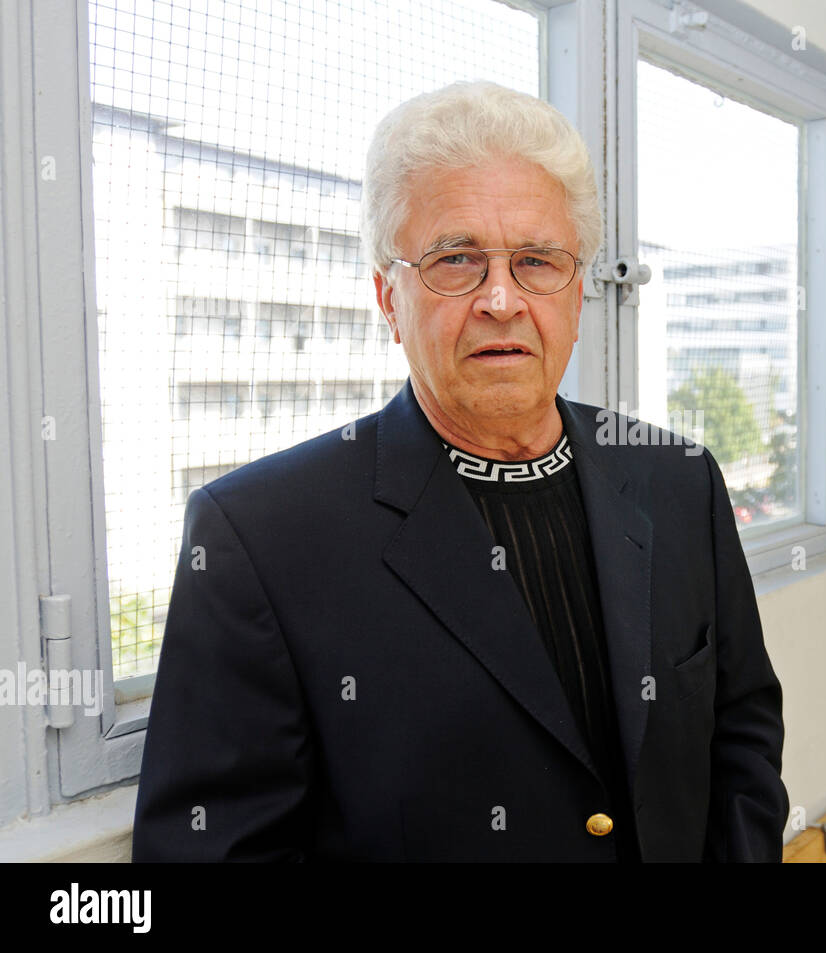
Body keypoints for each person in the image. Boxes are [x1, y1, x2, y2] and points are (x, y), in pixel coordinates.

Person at [132, 81, 788, 862]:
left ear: (579, 294)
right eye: (456, 260)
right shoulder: (261, 537)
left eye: (538, 260)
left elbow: (742, 730)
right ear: (388, 297)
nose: (502, 299)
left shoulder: (677, 479)